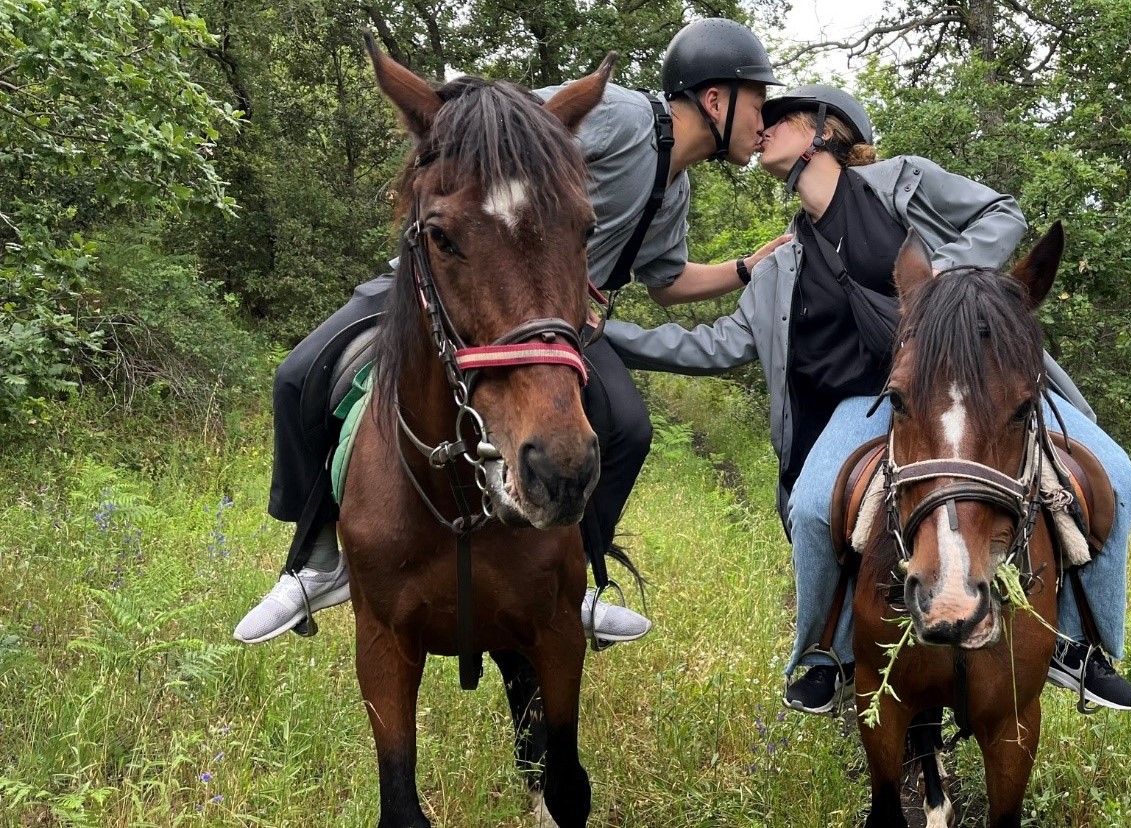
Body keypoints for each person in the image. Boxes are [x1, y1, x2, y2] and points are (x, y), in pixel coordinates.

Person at [233, 18, 788, 648]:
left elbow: (667, 280)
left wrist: (747, 268)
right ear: (717, 100)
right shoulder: (626, 118)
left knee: (629, 428)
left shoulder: (675, 189)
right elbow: (510, 120)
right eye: (761, 102)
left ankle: (578, 579)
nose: (765, 120)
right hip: (455, 288)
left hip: (557, 327)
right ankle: (315, 558)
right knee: (297, 376)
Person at [602, 85, 1131, 714]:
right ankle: (824, 655)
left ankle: (1079, 648)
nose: (763, 127)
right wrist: (601, 334)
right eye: (763, 118)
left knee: (1120, 480)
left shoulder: (903, 183)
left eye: (780, 119)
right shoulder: (782, 263)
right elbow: (714, 345)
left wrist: (939, 282)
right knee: (809, 509)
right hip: (866, 405)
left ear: (822, 133)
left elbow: (1004, 214)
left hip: (981, 385)